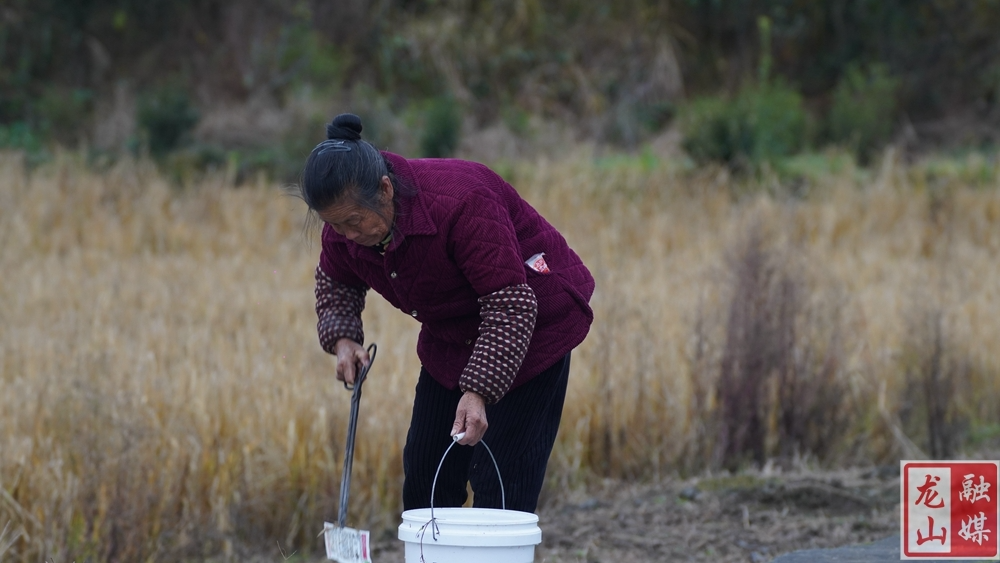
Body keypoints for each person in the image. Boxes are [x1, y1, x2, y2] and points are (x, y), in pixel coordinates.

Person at [301, 113, 594, 514]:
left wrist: (478, 392)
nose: (346, 235)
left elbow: (511, 305)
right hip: (452, 338)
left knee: (500, 484)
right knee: (425, 476)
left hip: (531, 329)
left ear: (385, 189)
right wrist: (344, 338)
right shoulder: (344, 227)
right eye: (335, 225)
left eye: (353, 222)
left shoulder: (461, 201)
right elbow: (337, 278)